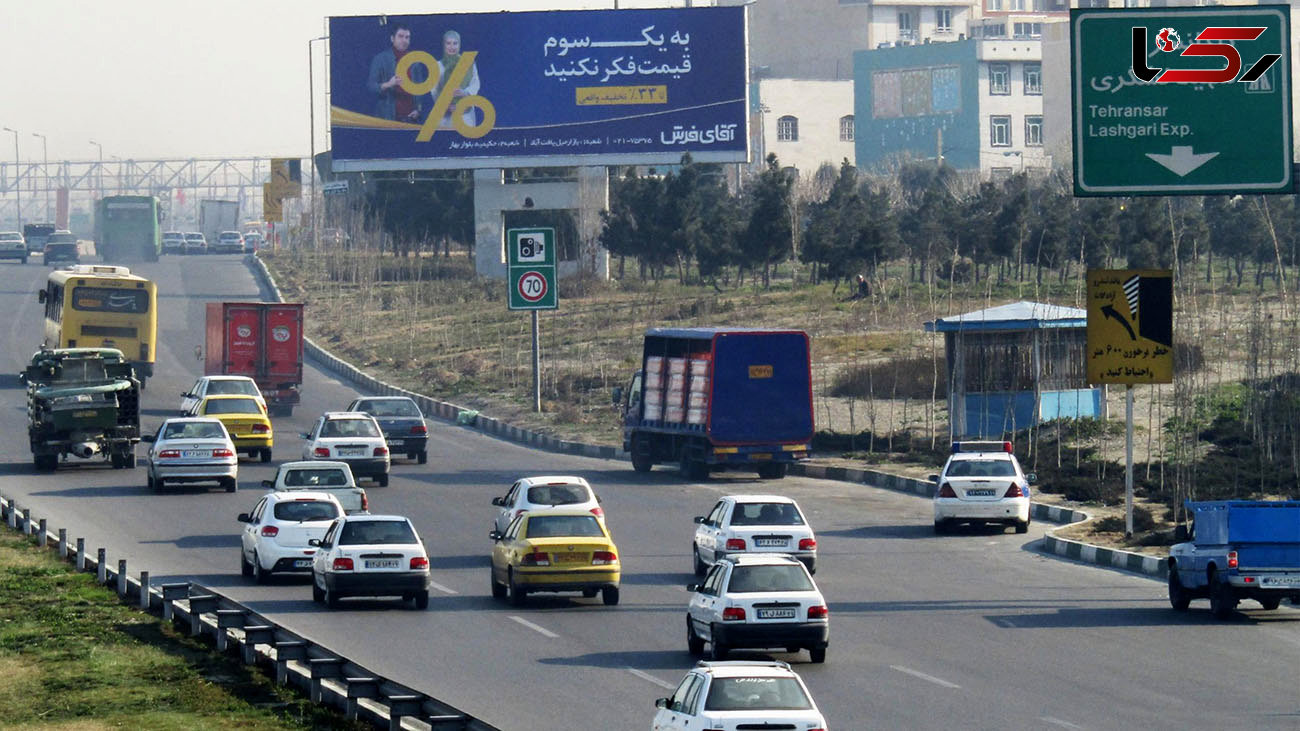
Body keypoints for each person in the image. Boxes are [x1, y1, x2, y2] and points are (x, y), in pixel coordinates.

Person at [366, 24, 425, 122]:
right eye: (400, 36)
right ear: (392, 38)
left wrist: (418, 110)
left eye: (407, 37)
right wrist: (388, 84)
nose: (404, 40)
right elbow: (371, 87)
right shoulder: (380, 59)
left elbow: (420, 91)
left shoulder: (415, 62)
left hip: (411, 120)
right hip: (387, 119)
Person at [433, 30, 481, 128]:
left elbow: (475, 83)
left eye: (455, 43)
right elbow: (434, 90)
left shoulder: (468, 62)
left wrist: (465, 92)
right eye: (448, 43)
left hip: (466, 115)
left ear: (459, 45)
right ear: (444, 45)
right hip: (445, 116)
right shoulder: (438, 66)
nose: (452, 47)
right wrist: (445, 105)